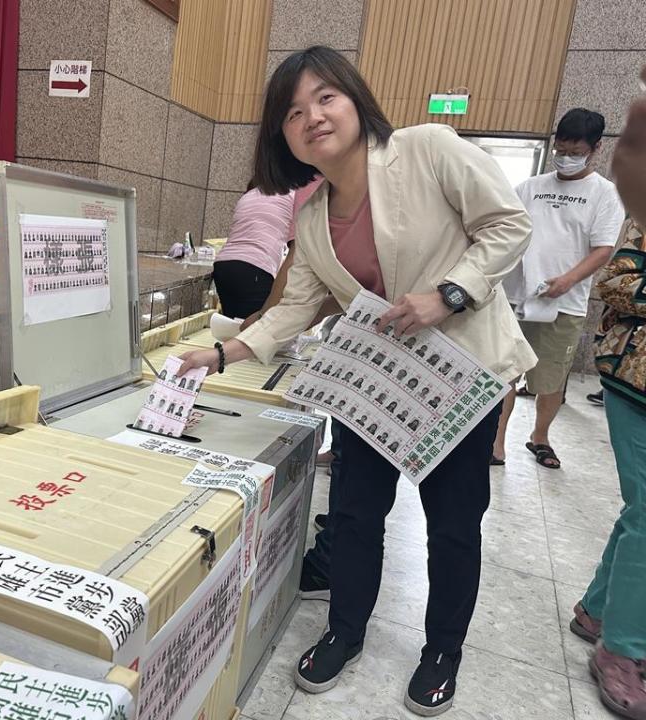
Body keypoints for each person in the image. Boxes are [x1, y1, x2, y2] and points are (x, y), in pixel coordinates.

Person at [177, 46, 535, 716]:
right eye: (292, 111)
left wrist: (450, 293)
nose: (311, 116)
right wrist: (221, 354)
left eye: (325, 97)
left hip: (458, 382)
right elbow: (296, 308)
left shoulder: (428, 149)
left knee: (453, 526)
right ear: (280, 135)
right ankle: (345, 629)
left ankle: (441, 651)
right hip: (373, 387)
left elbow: (509, 225)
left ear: (355, 100)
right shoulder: (310, 220)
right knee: (352, 515)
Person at [571, 70, 646, 719]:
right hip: (635, 376)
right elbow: (616, 281)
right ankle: (624, 648)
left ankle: (598, 611)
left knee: (642, 510)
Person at [492, 109, 625, 469]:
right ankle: (497, 443)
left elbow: (602, 250)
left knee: (550, 380)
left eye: (575, 151)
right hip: (515, 296)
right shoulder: (530, 188)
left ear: (595, 149)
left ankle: (540, 437)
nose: (566, 158)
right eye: (560, 149)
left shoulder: (605, 195)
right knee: (504, 373)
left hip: (565, 303)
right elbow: (505, 229)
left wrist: (567, 280)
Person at [211, 181, 295, 319]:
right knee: (254, 331)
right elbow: (297, 251)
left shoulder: (251, 194)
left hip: (223, 265)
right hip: (255, 268)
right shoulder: (293, 196)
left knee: (233, 325)